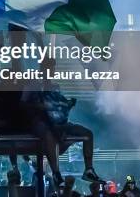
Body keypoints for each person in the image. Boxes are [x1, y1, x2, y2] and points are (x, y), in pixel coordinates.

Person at [24, 57, 103, 188]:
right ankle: (56, 174)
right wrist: (40, 106)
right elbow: (24, 105)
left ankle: (88, 169)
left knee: (87, 134)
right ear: (42, 69)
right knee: (49, 133)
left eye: (52, 68)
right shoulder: (33, 85)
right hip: (42, 124)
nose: (51, 70)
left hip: (60, 124)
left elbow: (60, 107)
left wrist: (68, 104)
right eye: (48, 68)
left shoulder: (55, 87)